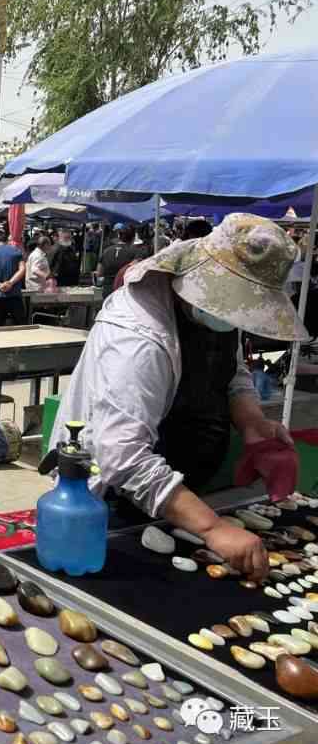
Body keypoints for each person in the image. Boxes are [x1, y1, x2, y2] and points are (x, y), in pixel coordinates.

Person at [51, 214, 310, 580]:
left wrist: (252, 423)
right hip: (112, 501)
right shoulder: (139, 334)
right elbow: (121, 456)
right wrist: (212, 529)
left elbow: (232, 374)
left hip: (179, 492)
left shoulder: (218, 314)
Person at [96, 224, 137, 300]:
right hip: (124, 291)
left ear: (119, 237)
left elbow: (99, 273)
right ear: (133, 239)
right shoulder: (135, 252)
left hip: (108, 290)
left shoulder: (106, 251)